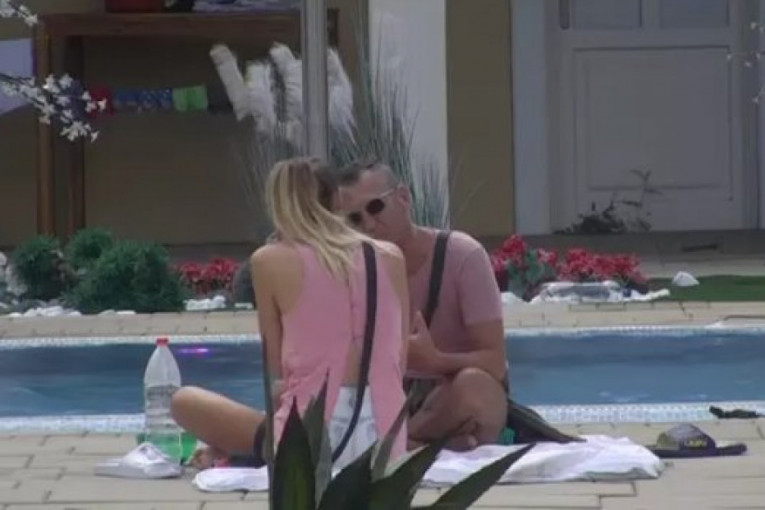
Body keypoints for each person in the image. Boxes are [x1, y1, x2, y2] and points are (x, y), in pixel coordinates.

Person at [171, 157, 410, 470]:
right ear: (338, 199)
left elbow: (276, 375)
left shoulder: (269, 261)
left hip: (311, 438)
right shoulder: (390, 256)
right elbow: (400, 360)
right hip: (386, 437)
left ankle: (240, 454)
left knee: (184, 401)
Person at [336, 157, 509, 451]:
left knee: (474, 389)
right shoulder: (351, 267)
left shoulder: (463, 255)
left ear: (403, 198)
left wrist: (435, 361)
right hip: (385, 395)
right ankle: (424, 444)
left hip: (448, 390)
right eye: (354, 219)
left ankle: (395, 444)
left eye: (375, 207)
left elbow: (494, 361)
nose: (368, 224)